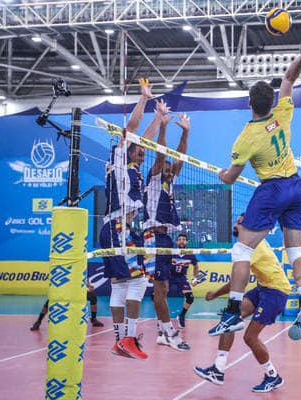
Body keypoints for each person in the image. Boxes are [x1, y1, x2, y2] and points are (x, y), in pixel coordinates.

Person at [209, 30, 301, 341]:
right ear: (271, 101)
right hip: (296, 186)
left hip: (272, 189)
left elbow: (231, 178)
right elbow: (289, 77)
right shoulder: (283, 113)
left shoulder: (246, 137)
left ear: (249, 103)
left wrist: (221, 174)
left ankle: (233, 311)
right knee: (295, 249)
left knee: (242, 249)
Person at [99, 78, 166, 360]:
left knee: (120, 283)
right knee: (138, 281)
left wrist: (159, 118)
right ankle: (128, 338)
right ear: (127, 149)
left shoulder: (133, 167)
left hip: (117, 227)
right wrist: (144, 98)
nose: (143, 150)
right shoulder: (119, 159)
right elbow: (134, 130)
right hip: (118, 227)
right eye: (138, 148)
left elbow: (143, 139)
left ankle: (119, 341)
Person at [194, 214, 291, 393]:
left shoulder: (254, 245)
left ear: (248, 226)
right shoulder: (247, 243)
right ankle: (218, 369)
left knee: (250, 337)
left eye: (240, 221)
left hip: (276, 291)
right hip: (263, 287)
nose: (236, 223)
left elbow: (236, 281)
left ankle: (272, 376)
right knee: (229, 319)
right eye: (237, 220)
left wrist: (215, 294)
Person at [143, 111, 191, 352]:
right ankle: (169, 332)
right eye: (167, 169)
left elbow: (179, 156)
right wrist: (162, 126)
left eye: (172, 170)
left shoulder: (170, 181)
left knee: (162, 288)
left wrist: (186, 132)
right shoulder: (153, 179)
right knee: (159, 290)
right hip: (153, 237)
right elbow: (161, 154)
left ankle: (162, 333)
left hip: (165, 238)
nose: (171, 171)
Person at [30, 280, 103, 331]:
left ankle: (94, 319)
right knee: (50, 301)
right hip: (65, 289)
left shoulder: (80, 265)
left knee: (93, 297)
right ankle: (38, 321)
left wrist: (88, 286)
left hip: (77, 291)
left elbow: (83, 278)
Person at [171, 233, 200, 331]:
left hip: (181, 277)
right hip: (170, 276)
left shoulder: (190, 254)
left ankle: (182, 315)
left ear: (186, 242)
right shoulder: (171, 252)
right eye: (179, 239)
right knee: (159, 296)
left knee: (190, 298)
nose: (181, 241)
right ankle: (161, 320)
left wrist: (195, 278)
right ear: (176, 242)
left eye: (183, 239)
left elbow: (196, 266)